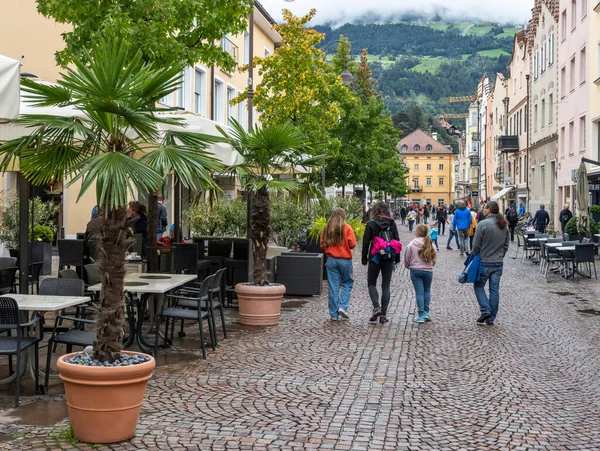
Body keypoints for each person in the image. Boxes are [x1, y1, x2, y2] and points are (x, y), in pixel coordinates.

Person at [471, 201, 510, 326]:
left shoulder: (483, 224)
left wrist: (476, 256)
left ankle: (485, 309)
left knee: (478, 285)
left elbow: (475, 246)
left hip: (484, 262)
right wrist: (500, 256)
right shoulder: (504, 225)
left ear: (489, 210)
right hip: (498, 262)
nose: (483, 210)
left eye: (484, 208)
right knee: (494, 290)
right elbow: (506, 245)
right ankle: (491, 317)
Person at [362, 201, 401, 325]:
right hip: (388, 257)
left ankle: (376, 307)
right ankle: (383, 315)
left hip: (374, 257)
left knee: (371, 283)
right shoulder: (391, 223)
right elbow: (397, 241)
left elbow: (366, 242)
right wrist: (397, 258)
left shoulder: (371, 223)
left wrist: (364, 258)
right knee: (386, 286)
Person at [320, 208, 357, 321]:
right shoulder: (347, 228)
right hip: (345, 260)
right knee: (347, 283)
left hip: (331, 260)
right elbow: (353, 244)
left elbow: (322, 244)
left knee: (333, 286)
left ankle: (334, 314)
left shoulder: (327, 228)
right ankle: (342, 306)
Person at [404, 224, 436, 323]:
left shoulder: (411, 244)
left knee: (419, 292)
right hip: (428, 270)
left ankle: (421, 315)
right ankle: (426, 312)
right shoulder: (430, 244)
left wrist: (408, 266)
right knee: (427, 291)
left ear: (417, 232)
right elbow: (434, 258)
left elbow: (407, 258)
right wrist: (430, 265)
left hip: (415, 270)